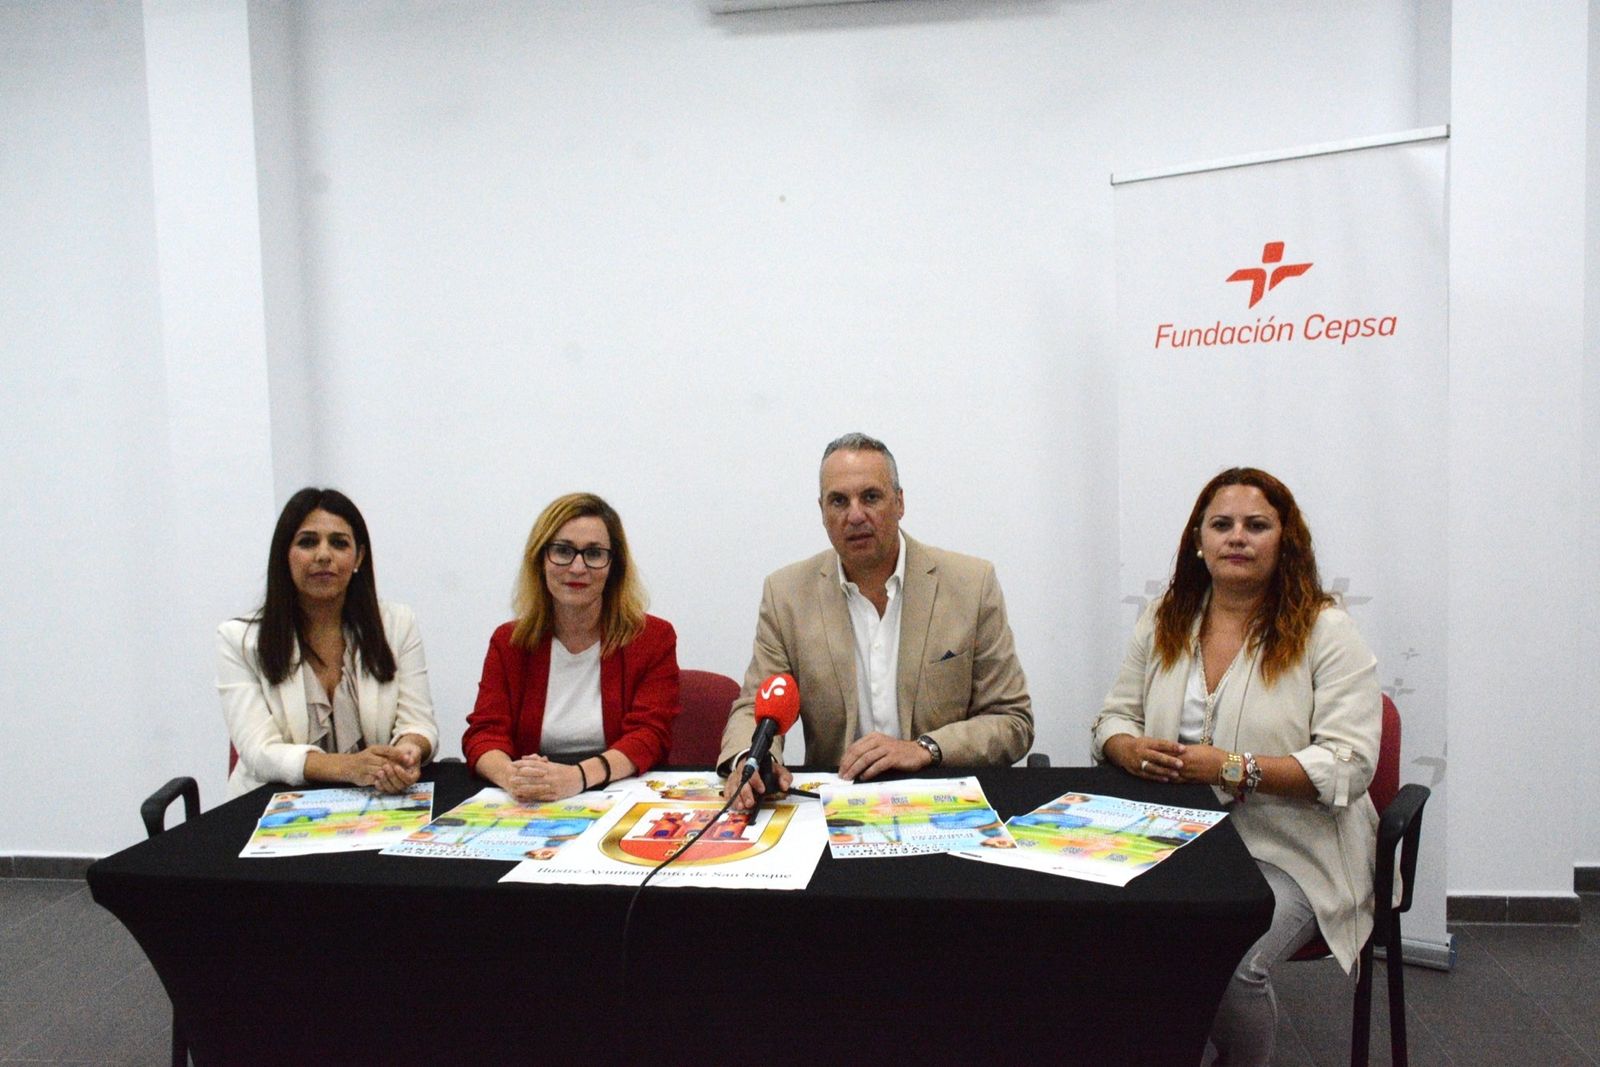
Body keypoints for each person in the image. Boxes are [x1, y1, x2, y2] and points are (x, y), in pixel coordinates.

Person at [1090, 468, 1380, 1067]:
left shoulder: (1327, 630)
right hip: (1176, 840)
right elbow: (1113, 718)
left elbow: (1349, 766)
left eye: (1257, 525)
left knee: (1231, 970)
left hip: (1295, 848)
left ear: (1285, 540)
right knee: (1102, 937)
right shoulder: (1166, 616)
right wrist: (1127, 749)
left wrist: (1232, 768)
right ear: (1199, 540)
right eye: (1221, 525)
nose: (1237, 538)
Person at [719, 433, 1032, 807]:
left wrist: (925, 748)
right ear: (822, 511)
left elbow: (1012, 721)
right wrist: (753, 759)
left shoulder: (970, 584)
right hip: (837, 806)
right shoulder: (786, 594)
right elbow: (756, 706)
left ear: (899, 502)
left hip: (943, 799)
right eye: (838, 501)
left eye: (870, 497)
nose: (855, 515)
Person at [217, 488, 438, 799]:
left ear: (359, 557)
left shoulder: (398, 624)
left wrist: (406, 754)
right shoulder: (237, 640)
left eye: (339, 543)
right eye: (308, 542)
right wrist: (347, 767)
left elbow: (419, 722)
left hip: (378, 801)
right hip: (269, 807)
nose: (323, 555)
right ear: (285, 555)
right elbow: (259, 752)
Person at [463, 492, 680, 803]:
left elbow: (649, 735)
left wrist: (577, 777)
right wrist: (513, 777)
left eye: (594, 554)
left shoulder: (653, 638)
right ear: (540, 559)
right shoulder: (509, 642)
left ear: (613, 566)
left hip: (617, 796)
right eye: (563, 551)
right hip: (533, 797)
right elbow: (484, 734)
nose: (578, 568)